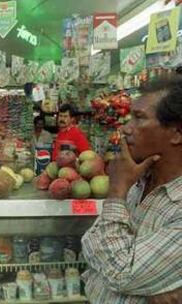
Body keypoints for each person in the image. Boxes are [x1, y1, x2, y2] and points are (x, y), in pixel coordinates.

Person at [81, 76, 182, 304]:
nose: (126, 129)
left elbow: (121, 274)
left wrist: (116, 193)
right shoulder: (138, 180)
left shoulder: (125, 184)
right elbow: (88, 243)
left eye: (139, 118)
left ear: (177, 133)